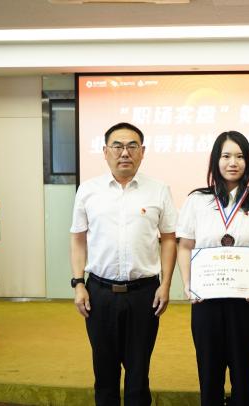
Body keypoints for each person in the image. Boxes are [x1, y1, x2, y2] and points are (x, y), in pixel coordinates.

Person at [70, 122, 178, 406]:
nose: (125, 153)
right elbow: (78, 239)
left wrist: (166, 285)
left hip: (144, 294)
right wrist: (78, 283)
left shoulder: (158, 190)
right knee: (104, 372)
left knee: (138, 373)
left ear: (142, 152)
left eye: (132, 146)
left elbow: (169, 239)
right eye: (117, 146)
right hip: (99, 294)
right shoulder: (88, 190)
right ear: (105, 151)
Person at [176, 131, 249, 406]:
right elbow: (185, 246)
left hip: (247, 301)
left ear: (248, 162)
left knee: (244, 374)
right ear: (215, 161)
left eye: (239, 156)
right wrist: (188, 284)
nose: (233, 162)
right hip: (206, 301)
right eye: (226, 156)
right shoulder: (197, 200)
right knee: (209, 373)